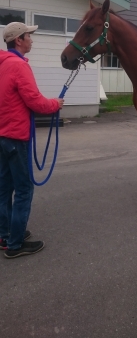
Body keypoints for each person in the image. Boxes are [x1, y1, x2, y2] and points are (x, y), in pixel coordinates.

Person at [0, 22, 64, 259]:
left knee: (4, 189)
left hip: (2, 136)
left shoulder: (3, 65)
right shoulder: (19, 67)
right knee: (24, 190)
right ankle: (14, 245)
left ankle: (5, 234)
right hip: (17, 137)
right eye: (29, 35)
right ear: (19, 40)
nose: (32, 39)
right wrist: (55, 104)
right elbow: (35, 101)